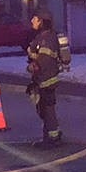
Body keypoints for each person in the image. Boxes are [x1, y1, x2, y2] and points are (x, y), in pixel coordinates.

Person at [24, 9, 70, 146]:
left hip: (46, 79)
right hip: (44, 78)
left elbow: (43, 60)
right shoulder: (44, 36)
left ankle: (52, 138)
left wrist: (32, 68)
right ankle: (51, 135)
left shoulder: (46, 39)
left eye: (35, 18)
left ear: (42, 22)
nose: (32, 21)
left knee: (46, 108)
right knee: (45, 108)